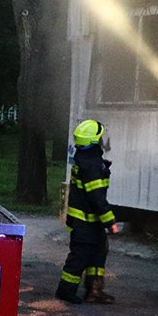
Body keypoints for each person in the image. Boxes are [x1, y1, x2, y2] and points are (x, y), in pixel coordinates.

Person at [56, 119, 118, 305]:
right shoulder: (91, 165)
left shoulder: (85, 160)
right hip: (86, 222)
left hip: (88, 221)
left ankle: (94, 290)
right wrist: (110, 221)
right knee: (79, 256)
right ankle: (65, 290)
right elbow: (97, 198)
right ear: (94, 141)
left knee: (98, 252)